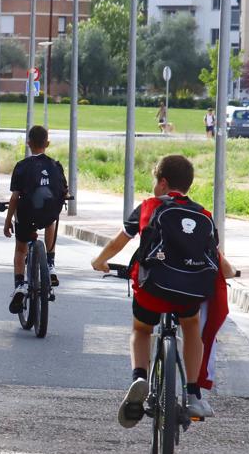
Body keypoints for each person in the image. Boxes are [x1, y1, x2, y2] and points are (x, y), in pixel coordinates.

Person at [90, 154, 234, 423]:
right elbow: (216, 257)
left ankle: (140, 378)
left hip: (153, 290)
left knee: (141, 329)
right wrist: (232, 272)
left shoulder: (148, 207)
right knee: (191, 327)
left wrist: (100, 261)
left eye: (155, 181)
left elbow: (118, 242)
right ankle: (192, 394)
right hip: (189, 292)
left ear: (163, 183)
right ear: (188, 185)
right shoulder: (202, 214)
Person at [5, 125, 68, 314]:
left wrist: (8, 221)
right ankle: (50, 263)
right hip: (48, 215)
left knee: (20, 249)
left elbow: (15, 197)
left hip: (26, 216)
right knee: (51, 219)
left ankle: (20, 285)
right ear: (47, 143)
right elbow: (64, 193)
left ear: (28, 143)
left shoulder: (22, 166)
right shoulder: (56, 166)